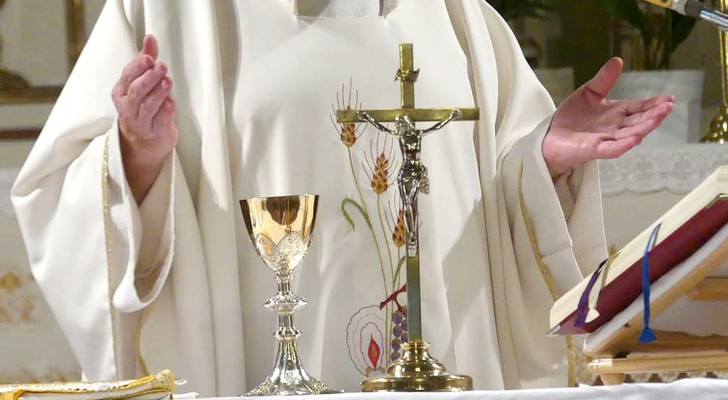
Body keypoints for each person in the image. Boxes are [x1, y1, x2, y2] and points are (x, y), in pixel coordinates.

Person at [11, 0, 674, 397]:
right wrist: (137, 156)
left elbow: (500, 187)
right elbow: (63, 195)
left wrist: (544, 157)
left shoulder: (457, 16)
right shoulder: (173, 13)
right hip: (251, 368)